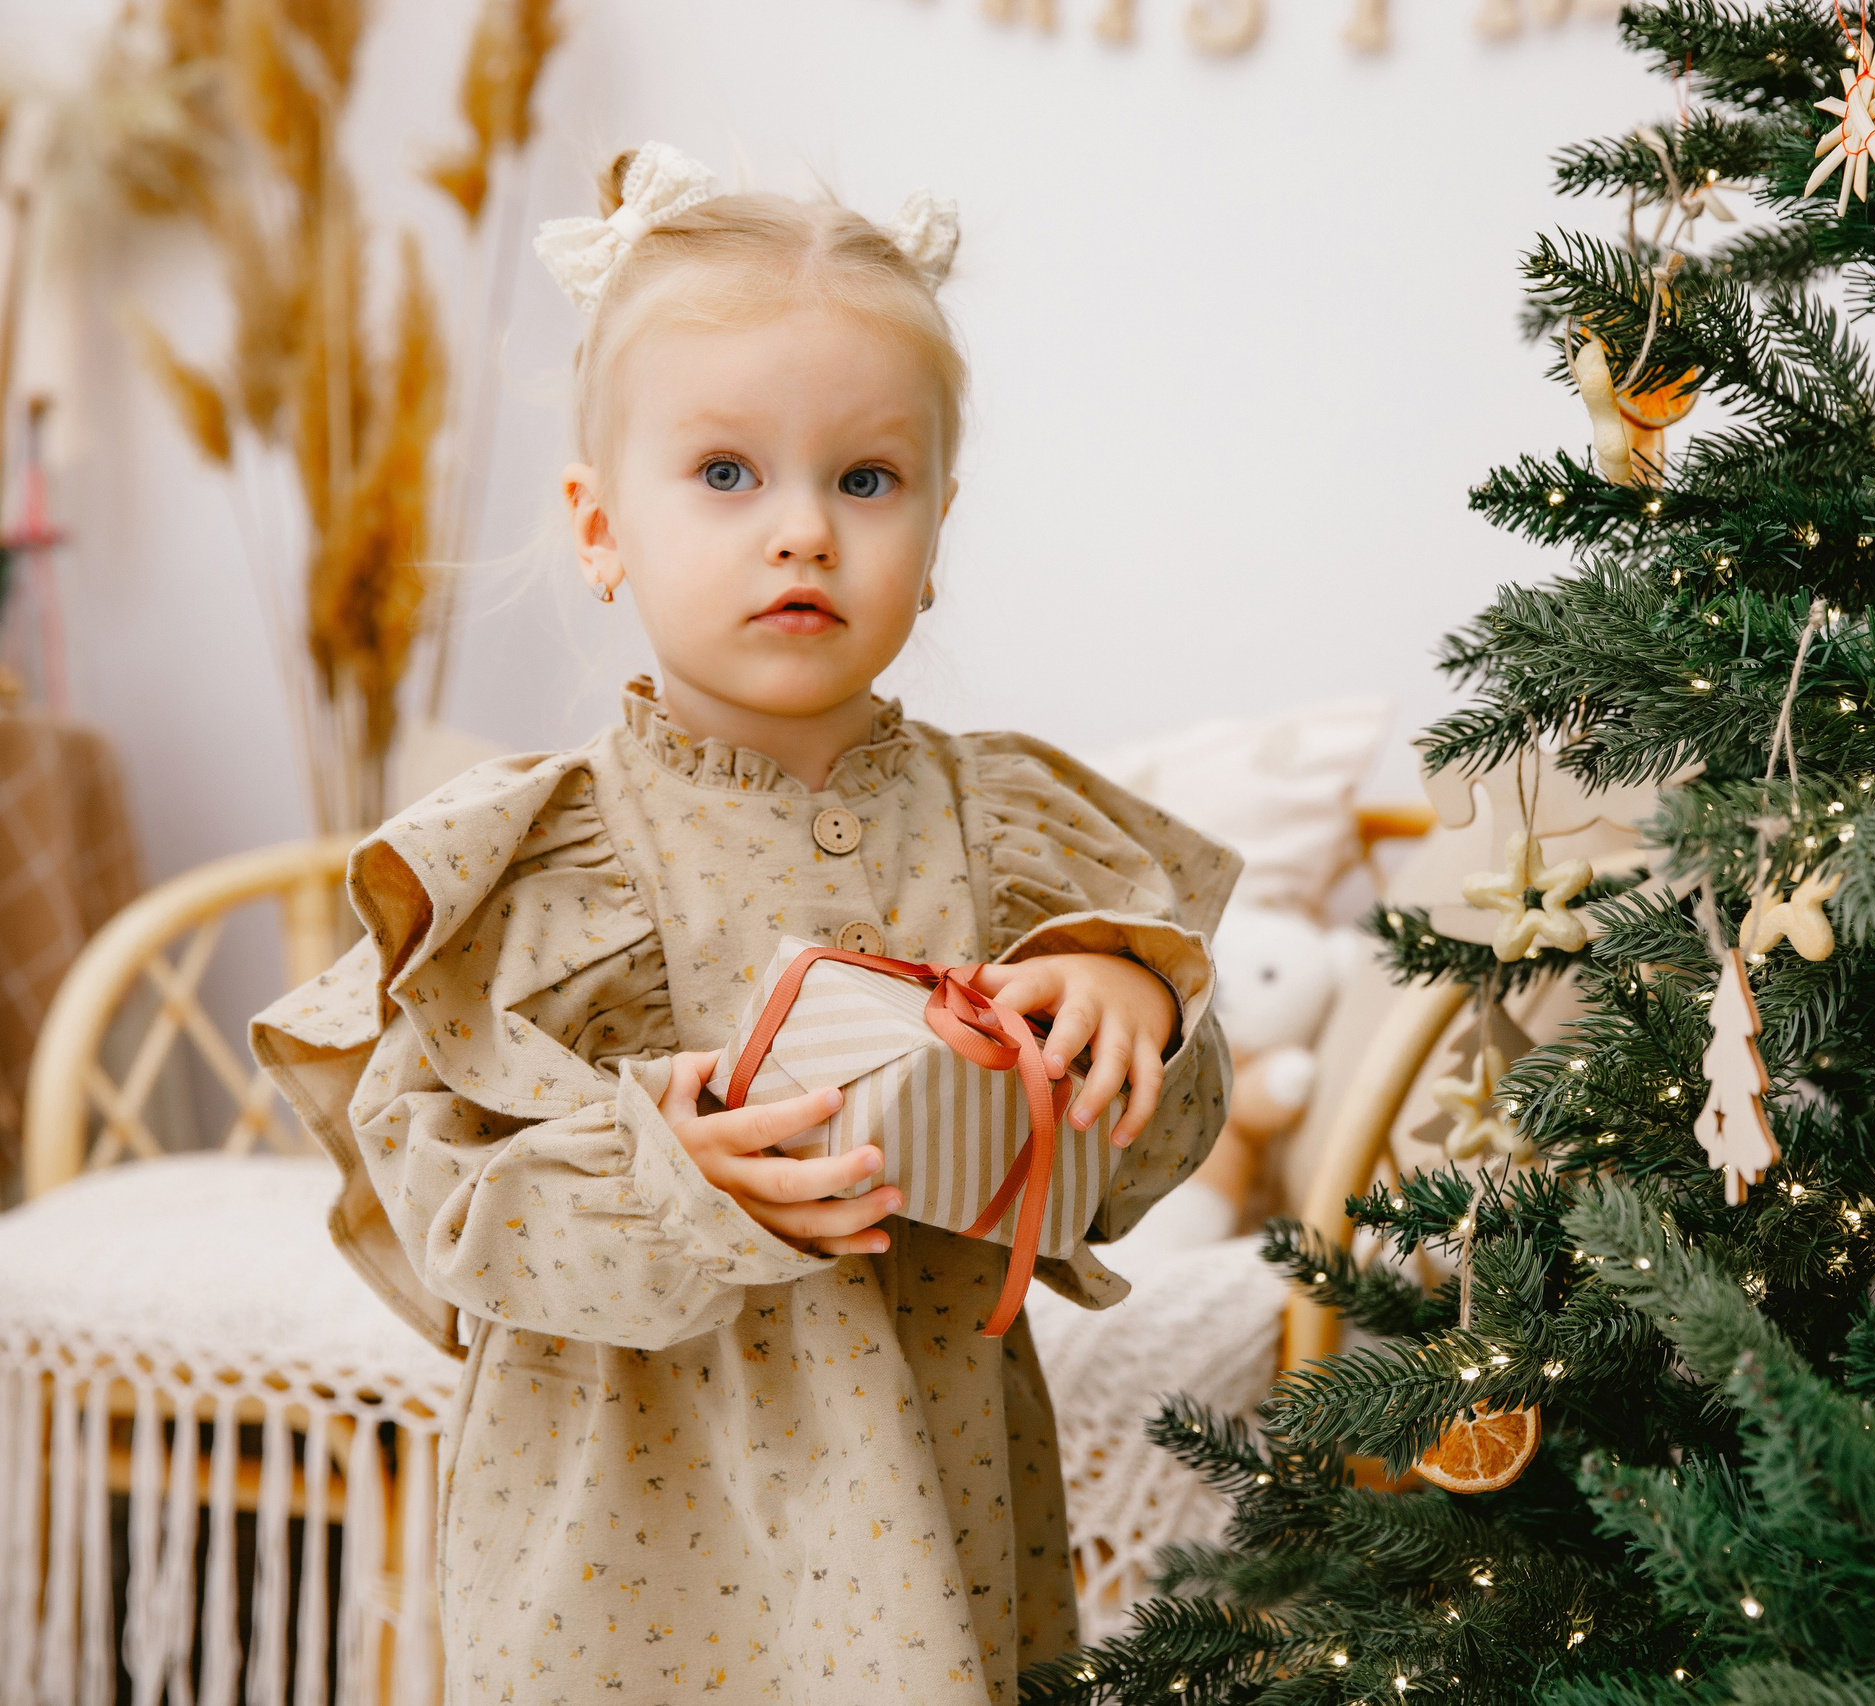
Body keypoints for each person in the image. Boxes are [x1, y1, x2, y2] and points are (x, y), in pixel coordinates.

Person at [252, 142, 1236, 1704]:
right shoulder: (536, 853)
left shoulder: (1019, 831)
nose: (804, 531)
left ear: (937, 524)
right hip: (631, 1513)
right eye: (726, 473)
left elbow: (1120, 1171)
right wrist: (665, 1173)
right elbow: (445, 1199)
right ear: (598, 527)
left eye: (866, 478)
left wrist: (1123, 1001)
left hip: (934, 1499)